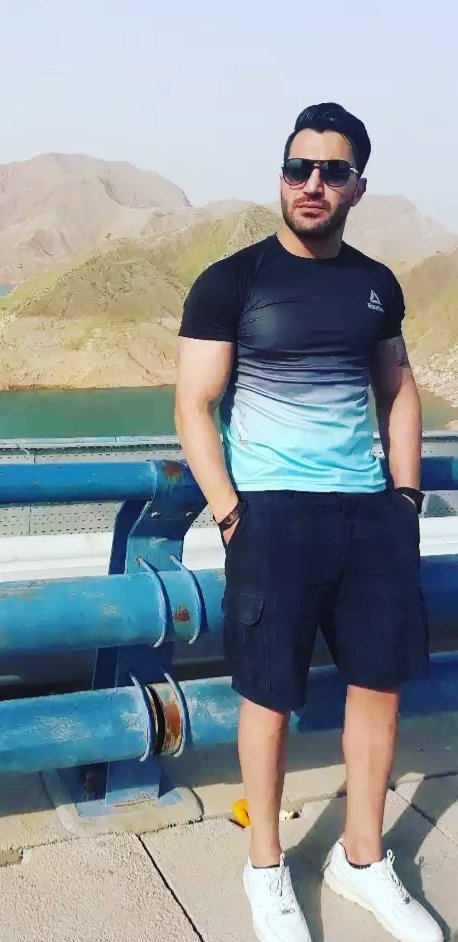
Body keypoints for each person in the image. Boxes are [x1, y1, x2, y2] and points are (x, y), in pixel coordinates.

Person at [174, 102, 443, 942]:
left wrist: (406, 498)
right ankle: (265, 868)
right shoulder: (231, 282)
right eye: (299, 168)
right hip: (272, 517)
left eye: (333, 171)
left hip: (368, 514)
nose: (313, 184)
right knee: (268, 698)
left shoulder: (376, 284)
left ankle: (361, 858)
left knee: (379, 687)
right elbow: (193, 404)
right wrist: (232, 515)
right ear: (282, 176)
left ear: (358, 185)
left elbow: (398, 389)